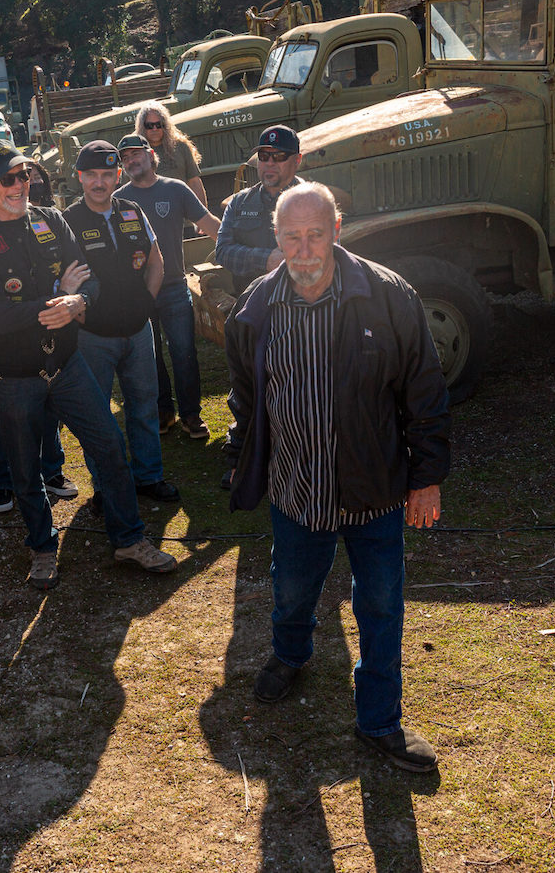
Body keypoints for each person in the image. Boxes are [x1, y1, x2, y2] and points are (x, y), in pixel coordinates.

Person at [225, 182, 450, 773]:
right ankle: (290, 654)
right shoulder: (255, 308)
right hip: (296, 490)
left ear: (337, 231)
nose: (304, 250)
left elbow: (424, 391)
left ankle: (379, 720)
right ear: (276, 237)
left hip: (374, 490)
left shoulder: (387, 296)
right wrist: (246, 457)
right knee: (291, 587)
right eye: (291, 237)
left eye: (315, 235)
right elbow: (246, 398)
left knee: (380, 605)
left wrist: (425, 479)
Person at [0, 139, 179, 589]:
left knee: (110, 447)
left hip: (66, 363)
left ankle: (129, 539)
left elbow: (88, 279)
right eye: (9, 178)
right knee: (27, 468)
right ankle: (41, 547)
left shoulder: (50, 219)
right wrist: (57, 304)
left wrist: (78, 297)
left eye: (25, 175)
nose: (21, 185)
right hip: (13, 376)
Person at [61, 140, 179, 505]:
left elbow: (157, 262)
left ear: (117, 176)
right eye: (92, 175)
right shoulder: (67, 221)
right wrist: (79, 313)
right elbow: (59, 276)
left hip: (138, 330)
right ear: (80, 178)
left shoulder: (132, 210)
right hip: (93, 336)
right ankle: (106, 487)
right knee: (98, 417)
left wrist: (147, 303)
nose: (100, 182)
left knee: (144, 405)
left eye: (107, 174)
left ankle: (148, 477)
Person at [116, 134, 221, 438]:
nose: (132, 161)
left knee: (184, 352)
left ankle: (191, 415)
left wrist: (233, 245)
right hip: (140, 291)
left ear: (151, 155)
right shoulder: (120, 200)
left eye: (136, 154)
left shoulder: (175, 189)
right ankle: (165, 412)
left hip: (174, 286)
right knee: (149, 356)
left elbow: (209, 223)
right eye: (125, 158)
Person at [215, 124, 306, 293]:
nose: (269, 163)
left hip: (300, 305)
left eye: (279, 156)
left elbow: (329, 253)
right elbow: (222, 251)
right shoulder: (239, 202)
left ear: (297, 160)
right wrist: (265, 259)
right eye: (263, 156)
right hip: (250, 306)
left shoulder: (314, 202)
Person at [133, 101, 207, 206]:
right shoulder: (135, 154)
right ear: (142, 127)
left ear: (165, 125)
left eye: (159, 125)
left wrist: (202, 215)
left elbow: (195, 182)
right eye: (150, 125)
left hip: (183, 214)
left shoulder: (181, 146)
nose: (155, 129)